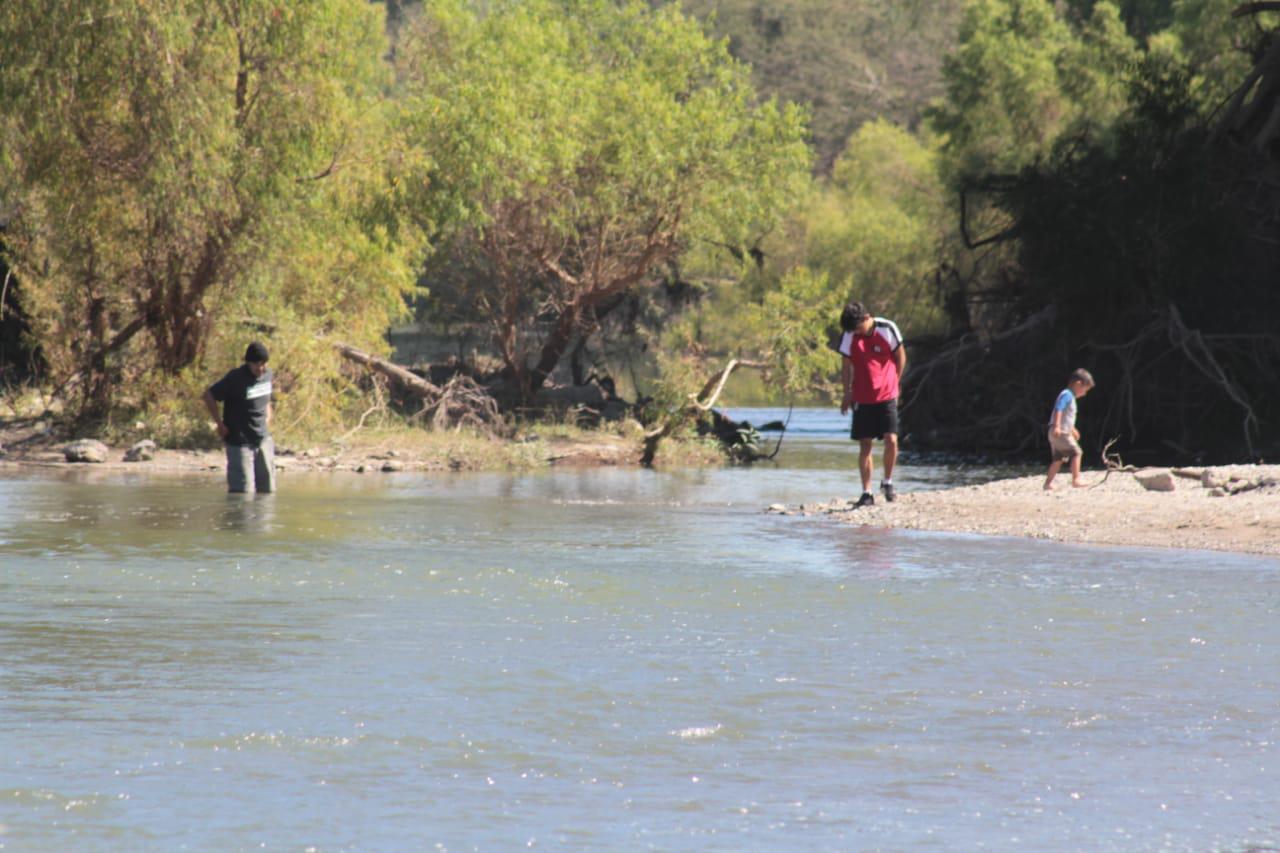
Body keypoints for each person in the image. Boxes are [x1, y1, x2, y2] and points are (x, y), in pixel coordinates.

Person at [837, 301, 906, 507]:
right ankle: (867, 492)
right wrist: (847, 393)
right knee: (865, 444)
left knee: (891, 439)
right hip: (862, 396)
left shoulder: (887, 329)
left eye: (858, 327)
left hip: (887, 394)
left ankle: (888, 482)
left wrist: (896, 381)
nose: (856, 332)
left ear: (866, 318)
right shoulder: (849, 335)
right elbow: (846, 366)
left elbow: (901, 356)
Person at [202, 341, 276, 493]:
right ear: (248, 362)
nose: (261, 368)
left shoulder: (268, 375)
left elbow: (267, 399)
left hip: (263, 440)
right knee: (242, 493)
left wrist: (268, 417)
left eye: (263, 364)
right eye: (257, 364)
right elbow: (209, 395)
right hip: (239, 442)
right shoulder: (235, 378)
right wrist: (219, 423)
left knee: (267, 491)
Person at [1044, 368, 1095, 491]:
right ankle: (1076, 479)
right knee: (1077, 452)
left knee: (1058, 459)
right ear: (1078, 384)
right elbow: (1059, 409)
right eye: (1085, 389)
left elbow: (1067, 417)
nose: (1085, 393)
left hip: (1057, 431)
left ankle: (1048, 483)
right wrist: (1057, 426)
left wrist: (1073, 429)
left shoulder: (1069, 396)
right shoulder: (1067, 395)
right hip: (1060, 432)